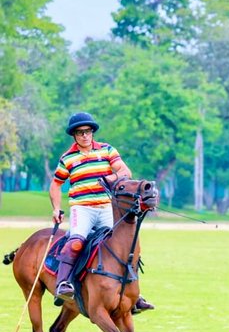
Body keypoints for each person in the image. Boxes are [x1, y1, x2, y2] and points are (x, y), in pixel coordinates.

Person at [49, 112, 155, 312]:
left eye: (87, 131)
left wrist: (110, 179)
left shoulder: (106, 150)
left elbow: (125, 172)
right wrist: (56, 208)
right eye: (80, 133)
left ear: (92, 132)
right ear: (74, 135)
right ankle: (63, 284)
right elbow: (55, 185)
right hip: (83, 208)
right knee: (76, 242)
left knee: (122, 246)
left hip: (107, 207)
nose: (84, 136)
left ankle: (133, 294)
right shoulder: (68, 158)